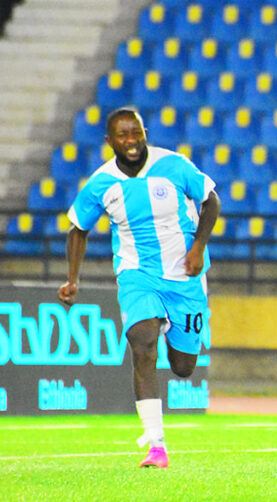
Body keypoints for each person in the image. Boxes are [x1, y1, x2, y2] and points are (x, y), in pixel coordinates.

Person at [57, 107, 221, 468]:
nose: (131, 141)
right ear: (109, 141)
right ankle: (156, 445)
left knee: (183, 367)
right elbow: (78, 229)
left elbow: (211, 201)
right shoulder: (102, 183)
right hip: (137, 275)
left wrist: (198, 247)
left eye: (136, 133)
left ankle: (169, 323)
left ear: (145, 133)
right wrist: (73, 279)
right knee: (142, 343)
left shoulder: (173, 165)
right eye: (123, 135)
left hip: (185, 276)